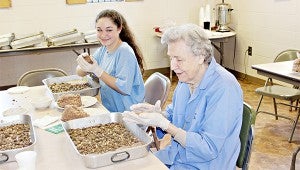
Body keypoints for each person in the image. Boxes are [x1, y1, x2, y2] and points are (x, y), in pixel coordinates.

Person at [123, 24, 243, 169]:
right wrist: (157, 115)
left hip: (205, 165)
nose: (173, 66)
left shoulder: (224, 87)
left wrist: (166, 125)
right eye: (171, 58)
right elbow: (175, 116)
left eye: (179, 59)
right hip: (177, 157)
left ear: (200, 57)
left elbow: (208, 149)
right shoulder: (186, 80)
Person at [76, 9, 145, 112]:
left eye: (109, 30)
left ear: (119, 29)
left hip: (129, 112)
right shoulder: (103, 50)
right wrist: (84, 62)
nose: (103, 35)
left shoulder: (124, 52)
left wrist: (97, 70)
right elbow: (79, 73)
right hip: (110, 110)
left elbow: (124, 88)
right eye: (99, 30)